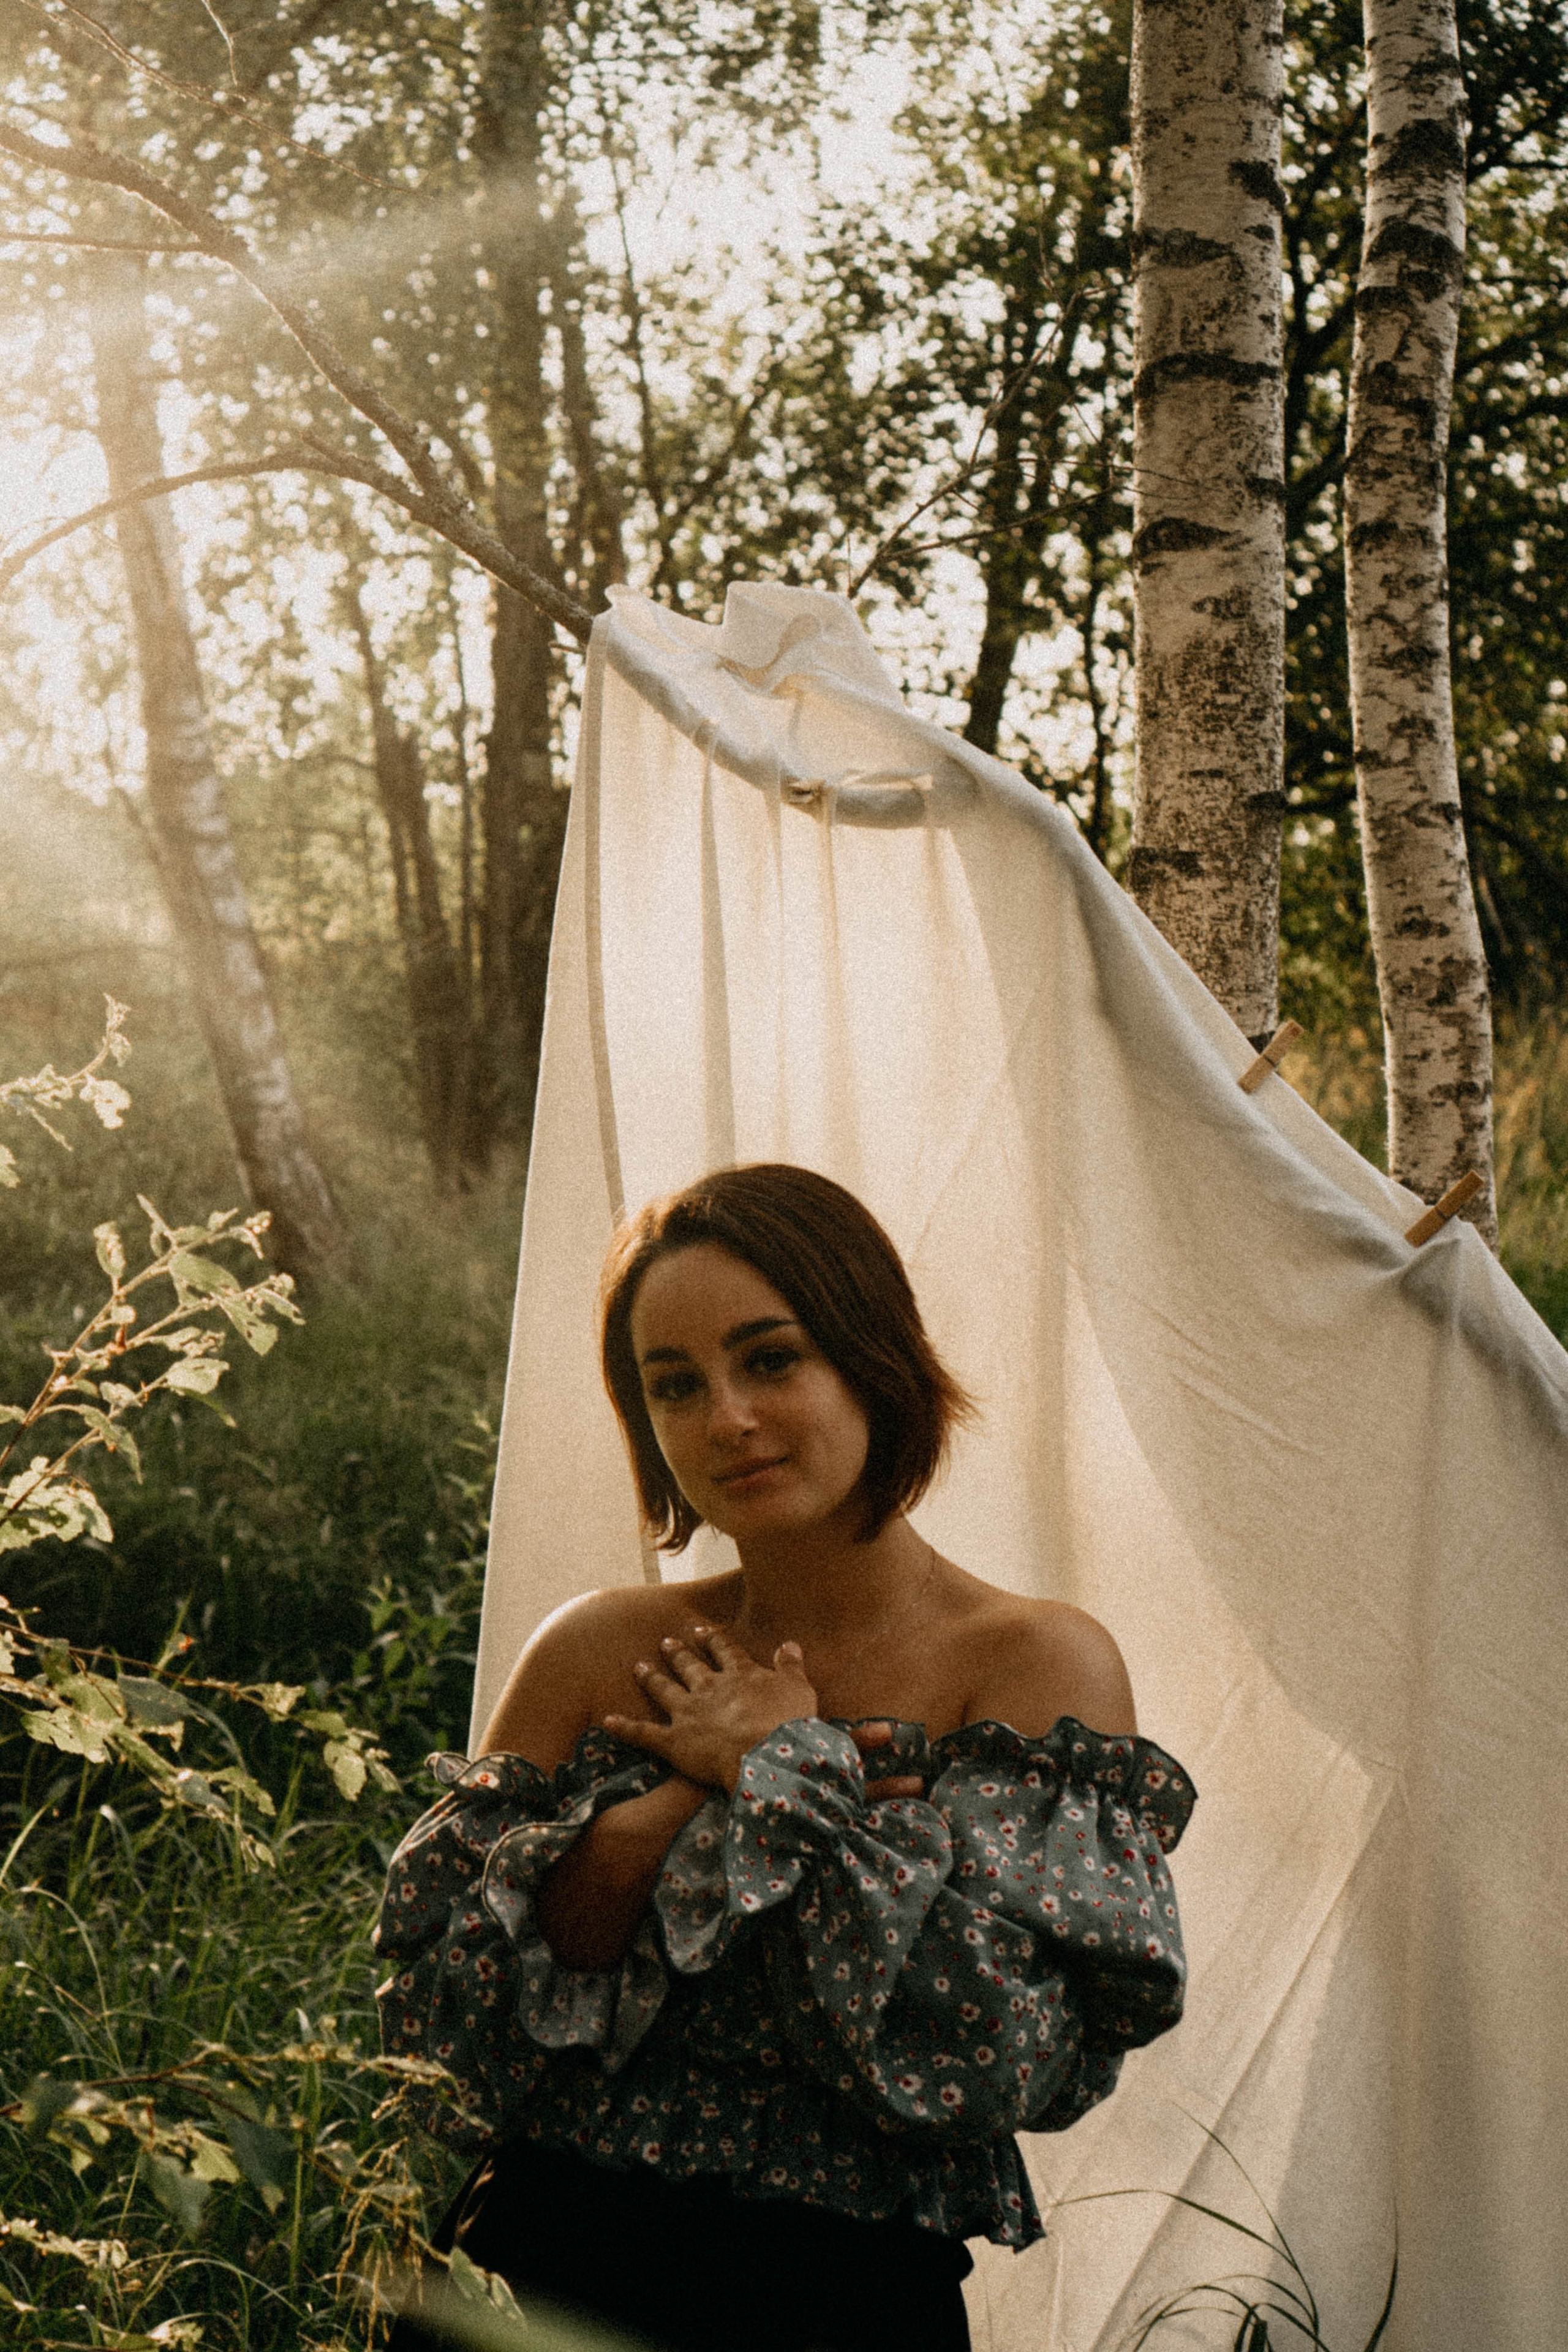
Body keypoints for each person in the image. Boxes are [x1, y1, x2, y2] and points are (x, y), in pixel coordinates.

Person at [375, 1164, 1195, 2352]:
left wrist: (787, 1772)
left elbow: (994, 2061)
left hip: (839, 2297)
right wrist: (674, 1799)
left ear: (873, 1357)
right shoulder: (600, 1652)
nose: (726, 1420)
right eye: (673, 1385)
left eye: (770, 1359)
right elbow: (442, 2029)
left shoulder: (1031, 1671)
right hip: (526, 2273)